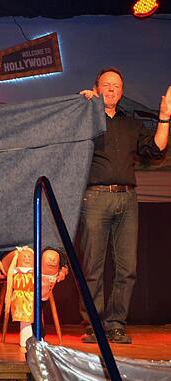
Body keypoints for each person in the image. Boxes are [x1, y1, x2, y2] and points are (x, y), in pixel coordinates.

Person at [78, 69, 169, 344]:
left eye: (116, 86)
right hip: (96, 197)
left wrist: (165, 117)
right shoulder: (86, 118)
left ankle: (116, 323)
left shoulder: (131, 124)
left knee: (127, 267)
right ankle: (94, 325)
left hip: (127, 199)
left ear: (122, 92)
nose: (111, 89)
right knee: (92, 266)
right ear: (96, 87)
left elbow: (155, 150)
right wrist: (83, 104)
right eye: (106, 85)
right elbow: (65, 131)